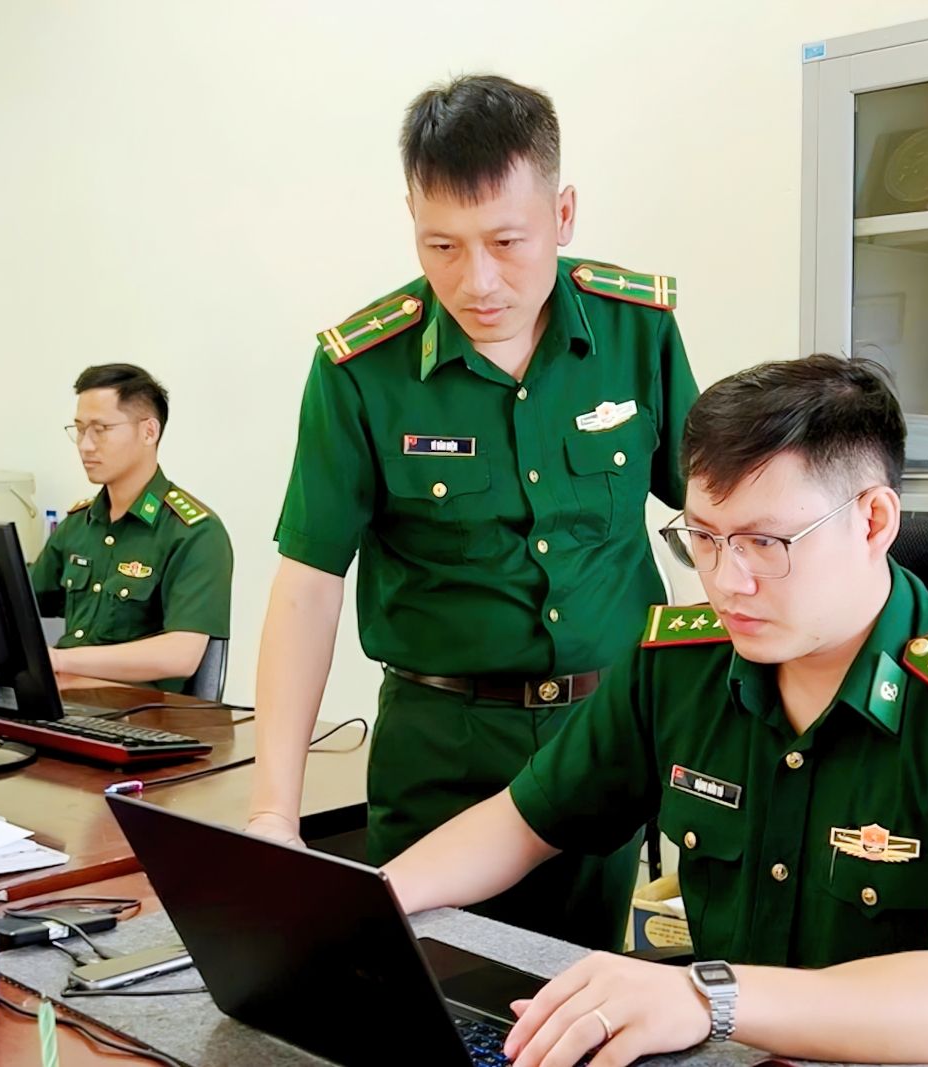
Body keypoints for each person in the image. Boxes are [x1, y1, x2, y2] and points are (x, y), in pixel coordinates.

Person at [383, 354, 928, 1067]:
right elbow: (523, 822)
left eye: (765, 543)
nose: (728, 582)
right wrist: (373, 904)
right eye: (703, 537)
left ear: (873, 520)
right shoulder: (681, 664)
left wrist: (709, 997)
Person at [247, 74, 699, 949]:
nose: (477, 280)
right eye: (442, 246)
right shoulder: (361, 369)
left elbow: (719, 518)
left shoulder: (637, 331)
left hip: (603, 736)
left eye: (506, 241)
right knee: (424, 988)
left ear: (563, 214)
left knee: (583, 989)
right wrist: (275, 811)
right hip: (440, 750)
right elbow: (307, 586)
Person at [31, 363, 232, 691]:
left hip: (142, 713)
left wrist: (62, 661)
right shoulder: (78, 525)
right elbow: (18, 602)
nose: (85, 445)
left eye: (101, 429)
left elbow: (181, 654)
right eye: (79, 430)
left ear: (149, 432)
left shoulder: (194, 532)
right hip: (67, 704)